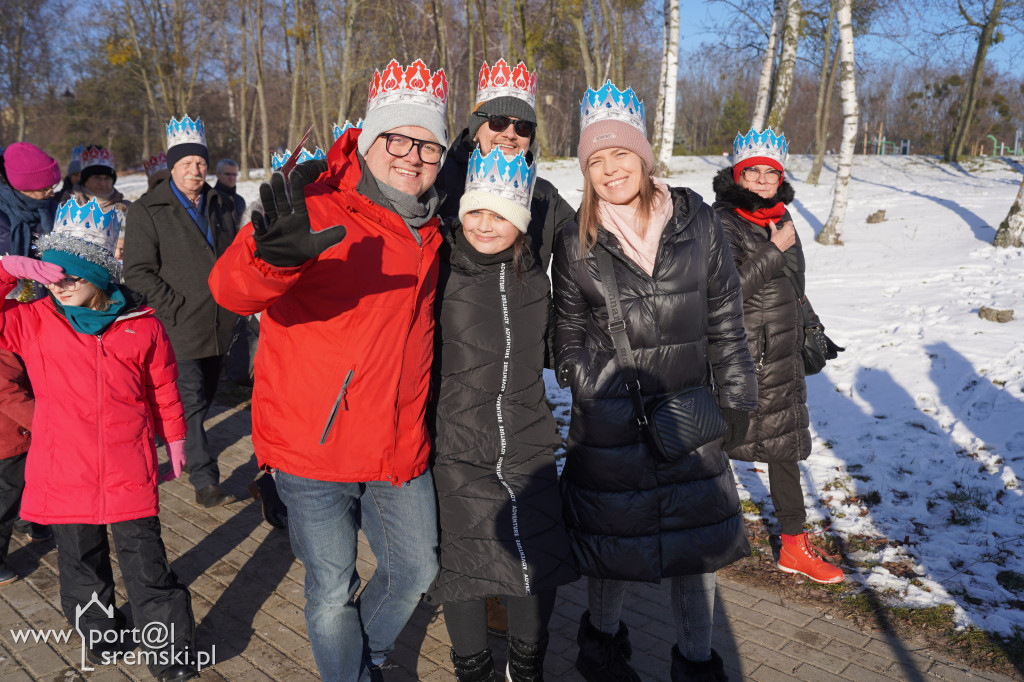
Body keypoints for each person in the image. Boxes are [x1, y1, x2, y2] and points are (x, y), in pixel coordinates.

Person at [209, 58, 449, 682]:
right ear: (371, 141)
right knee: (329, 589)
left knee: (416, 570)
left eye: (428, 143)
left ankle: (359, 658)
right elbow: (232, 291)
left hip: (398, 444)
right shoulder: (315, 204)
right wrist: (268, 260)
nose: (413, 155)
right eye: (399, 137)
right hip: (311, 443)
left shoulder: (436, 227)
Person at [552, 81, 757, 682]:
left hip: (689, 416)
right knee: (613, 555)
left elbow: (726, 315)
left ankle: (696, 666)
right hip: (611, 425)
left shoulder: (697, 220)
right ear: (586, 170)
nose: (610, 169)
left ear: (643, 156)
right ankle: (603, 651)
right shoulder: (577, 240)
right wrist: (589, 379)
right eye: (596, 160)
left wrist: (738, 396)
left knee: (696, 560)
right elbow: (564, 330)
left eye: (620, 154)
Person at [0, 196, 199, 682]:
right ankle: (102, 636)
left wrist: (175, 438)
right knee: (82, 565)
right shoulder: (33, 320)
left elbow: (163, 389)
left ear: (102, 275)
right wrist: (8, 270)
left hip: (127, 466)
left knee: (148, 567)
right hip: (63, 469)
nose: (62, 285)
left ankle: (170, 656)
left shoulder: (143, 325)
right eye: (54, 275)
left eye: (73, 276)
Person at [426, 147, 577, 681]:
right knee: (465, 566)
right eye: (476, 211)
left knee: (537, 563)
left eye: (502, 215)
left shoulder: (536, 276)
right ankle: (473, 671)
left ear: (521, 222)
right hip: (457, 442)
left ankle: (526, 668)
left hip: (528, 435)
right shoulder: (439, 269)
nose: (486, 225)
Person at [712, 128, 844, 585]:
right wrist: (774, 248)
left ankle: (793, 545)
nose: (764, 180)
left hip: (781, 349)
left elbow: (790, 284)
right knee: (718, 438)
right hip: (742, 353)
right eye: (755, 172)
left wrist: (810, 324)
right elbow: (724, 292)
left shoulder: (780, 216)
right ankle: (700, 527)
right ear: (739, 175)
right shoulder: (722, 222)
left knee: (784, 445)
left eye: (772, 172)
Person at [124, 115, 240, 508]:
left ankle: (184, 445)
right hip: (178, 326)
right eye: (187, 163)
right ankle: (206, 480)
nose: (196, 170)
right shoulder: (148, 210)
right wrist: (173, 305)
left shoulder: (220, 203)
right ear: (172, 167)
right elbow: (136, 271)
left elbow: (232, 256)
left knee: (204, 396)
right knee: (191, 401)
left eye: (201, 162)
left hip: (219, 323)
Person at [436, 59, 574, 272]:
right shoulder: (438, 187)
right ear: (476, 131)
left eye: (523, 127)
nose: (510, 134)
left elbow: (586, 242)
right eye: (498, 122)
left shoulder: (544, 197)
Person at [0, 348, 33, 584]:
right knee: (5, 498)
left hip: (15, 434)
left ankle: (31, 521)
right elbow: (9, 392)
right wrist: (45, 426)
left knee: (26, 485)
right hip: (8, 436)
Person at [63, 146, 131, 259]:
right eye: (97, 178)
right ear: (85, 180)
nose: (103, 183)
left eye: (107, 178)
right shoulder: (68, 205)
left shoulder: (127, 208)